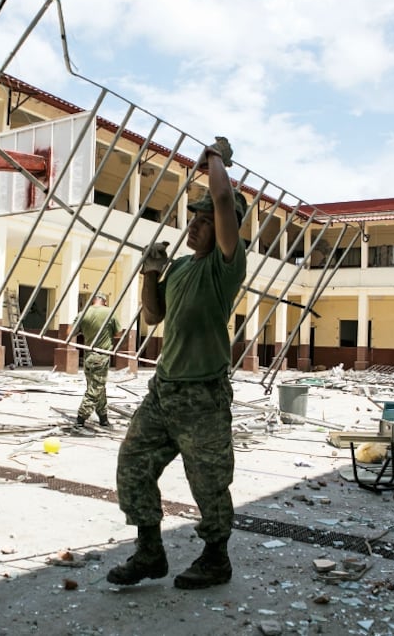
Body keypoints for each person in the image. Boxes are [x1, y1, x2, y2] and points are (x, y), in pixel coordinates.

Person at [107, 137, 247, 590]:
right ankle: (150, 551)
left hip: (203, 395)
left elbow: (224, 197)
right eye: (194, 219)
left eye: (206, 222)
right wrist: (150, 271)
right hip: (164, 390)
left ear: (224, 229)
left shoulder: (226, 265)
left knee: (208, 483)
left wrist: (217, 160)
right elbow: (152, 315)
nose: (196, 227)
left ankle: (215, 558)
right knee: (132, 465)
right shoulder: (184, 267)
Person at [73, 292, 120, 427]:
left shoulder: (83, 313)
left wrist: (87, 329)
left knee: (99, 387)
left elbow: (70, 332)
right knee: (95, 389)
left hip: (88, 355)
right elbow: (118, 333)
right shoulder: (109, 313)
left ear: (93, 301)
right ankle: (80, 421)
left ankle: (103, 418)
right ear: (104, 301)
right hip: (101, 356)